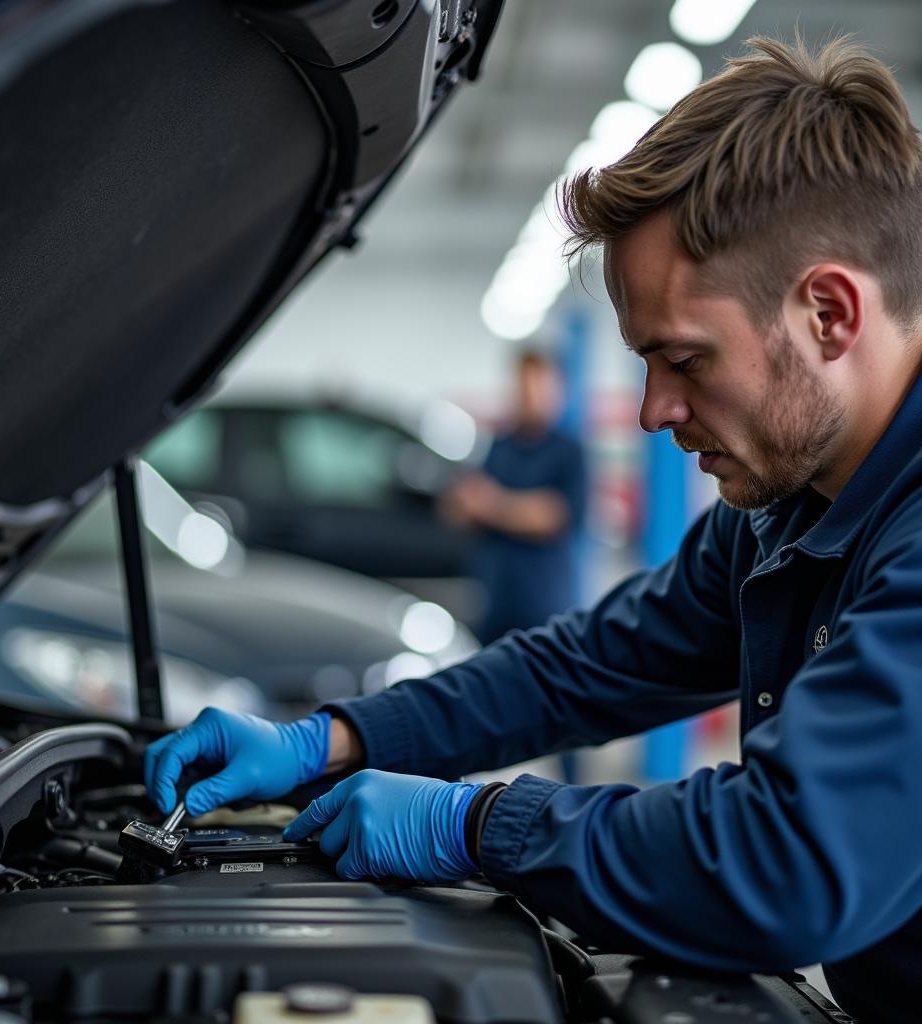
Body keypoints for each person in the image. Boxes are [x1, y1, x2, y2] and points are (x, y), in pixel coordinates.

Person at [145, 36, 922, 1023]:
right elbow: (586, 665)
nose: (650, 411)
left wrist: (475, 822)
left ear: (828, 312)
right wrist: (330, 738)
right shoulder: (785, 505)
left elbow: (787, 862)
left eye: (682, 358)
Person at [441, 348, 585, 645]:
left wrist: (491, 505)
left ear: (555, 390)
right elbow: (459, 510)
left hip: (544, 604)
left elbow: (552, 515)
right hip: (495, 601)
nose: (530, 395)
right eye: (524, 386)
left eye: (538, 386)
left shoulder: (568, 451)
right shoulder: (499, 448)